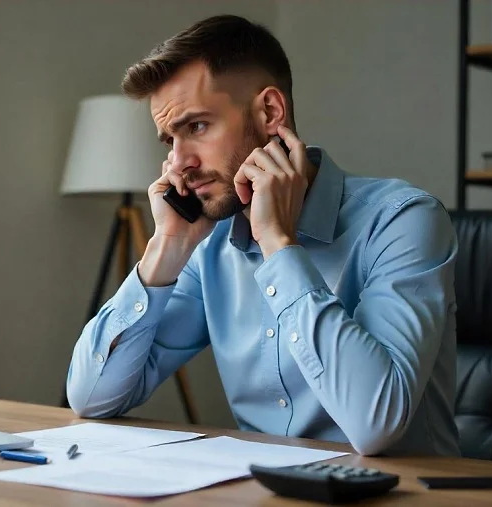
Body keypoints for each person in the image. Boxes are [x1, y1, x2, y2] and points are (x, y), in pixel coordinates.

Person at [65, 14, 460, 457]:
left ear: (270, 111)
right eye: (168, 141)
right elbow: (92, 397)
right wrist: (166, 247)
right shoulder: (208, 243)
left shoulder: (403, 221)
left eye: (196, 127)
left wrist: (278, 245)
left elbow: (375, 425)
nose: (180, 164)